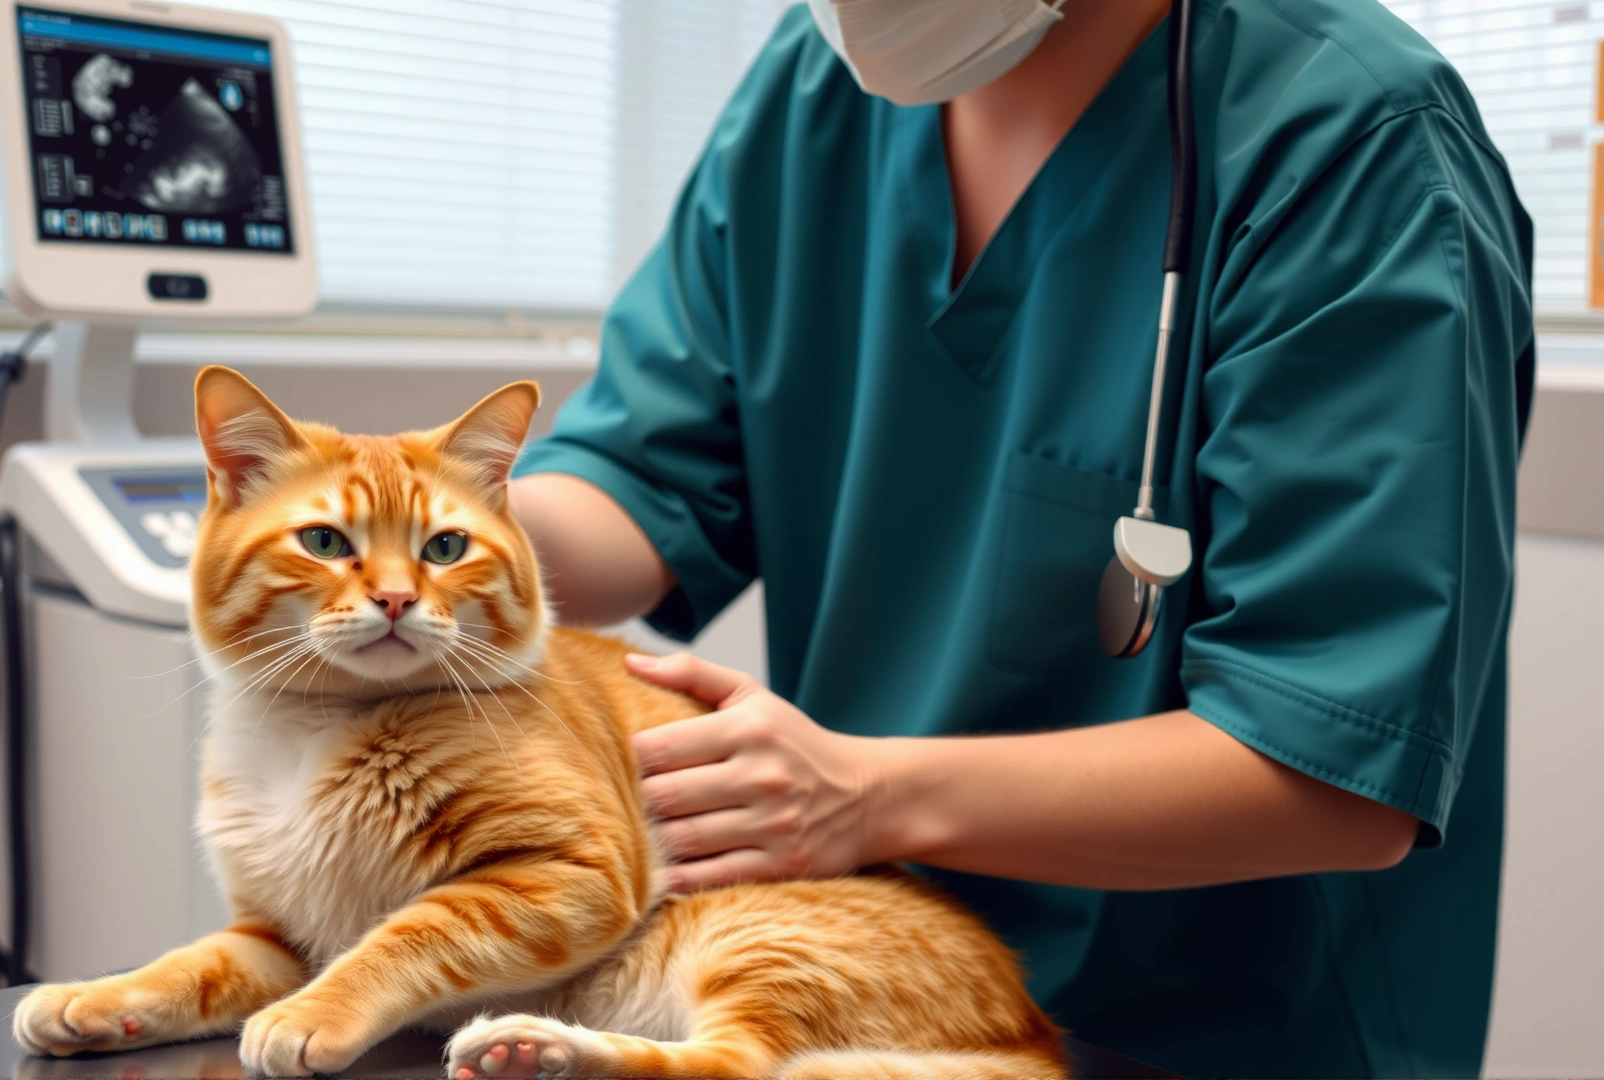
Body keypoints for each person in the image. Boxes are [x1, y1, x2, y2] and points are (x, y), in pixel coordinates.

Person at [506, 0, 1536, 1076]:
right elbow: (635, 484)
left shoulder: (1351, 139)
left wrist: (862, 797)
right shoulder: (817, 84)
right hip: (861, 1001)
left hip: (1208, 1038)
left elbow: (1330, 770)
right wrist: (392, 521)